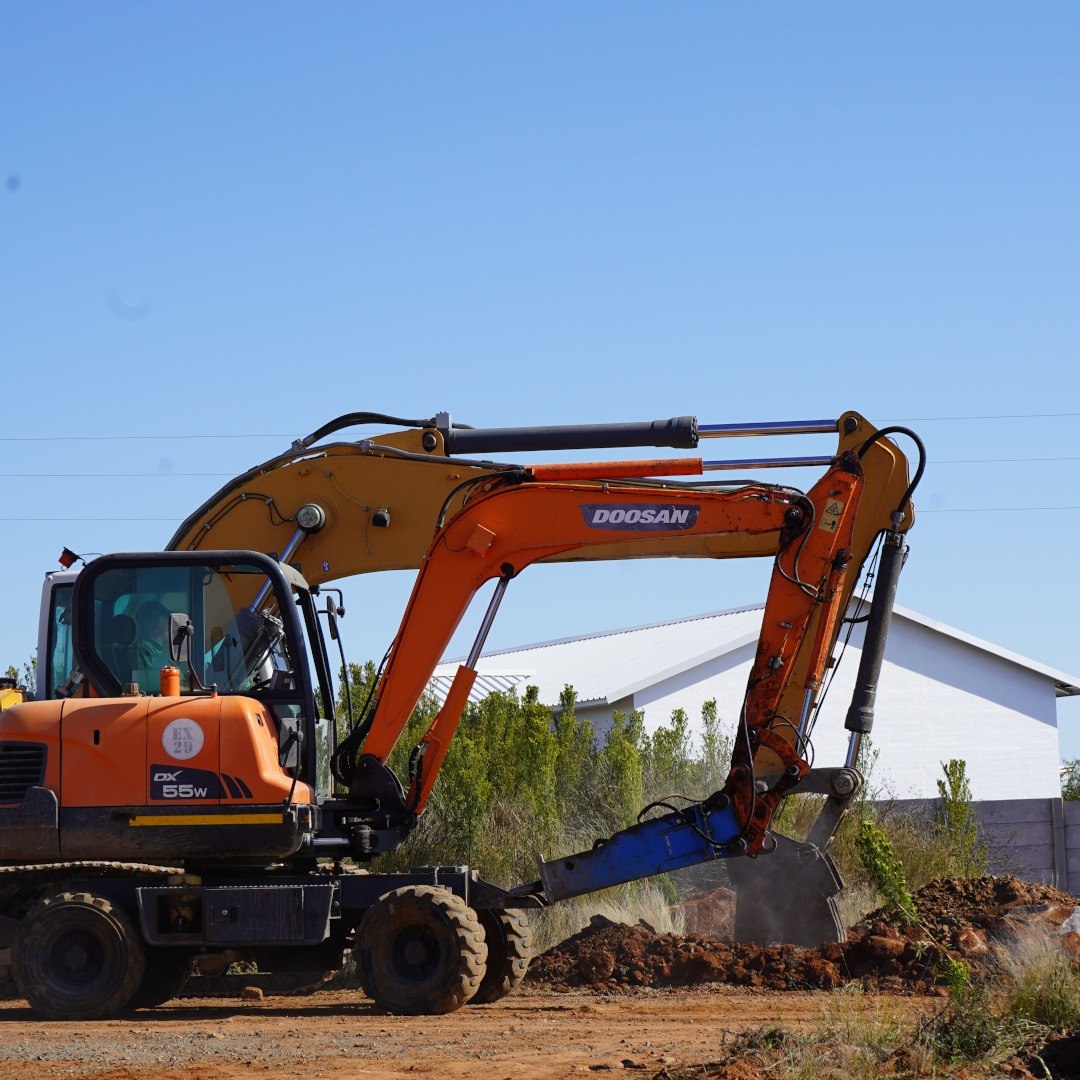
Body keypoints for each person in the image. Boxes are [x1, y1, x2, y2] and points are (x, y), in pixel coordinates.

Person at [135, 600, 172, 672]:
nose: (170, 625)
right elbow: (159, 679)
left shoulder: (155, 649)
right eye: (168, 620)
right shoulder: (147, 649)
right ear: (158, 621)